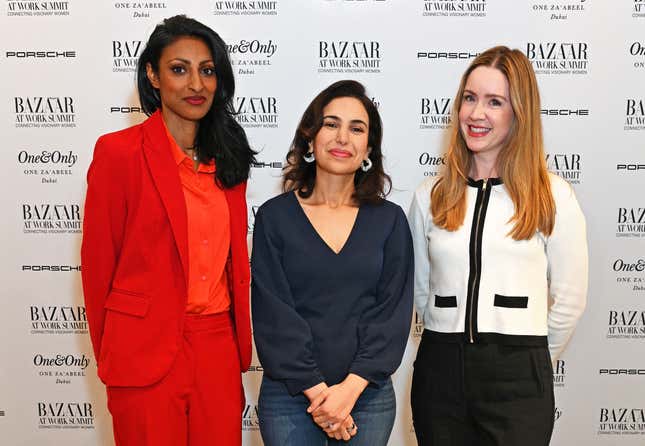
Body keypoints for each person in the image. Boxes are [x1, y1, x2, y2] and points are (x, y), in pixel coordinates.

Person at [81, 15, 255, 446]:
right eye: (179, 69)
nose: (196, 83)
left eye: (207, 70)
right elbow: (98, 266)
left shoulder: (229, 159)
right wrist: (118, 355)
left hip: (216, 345)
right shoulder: (118, 153)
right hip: (142, 350)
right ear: (153, 76)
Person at [408, 46, 588, 446]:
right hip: (440, 375)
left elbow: (570, 301)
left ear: (519, 112)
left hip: (519, 381)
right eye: (469, 99)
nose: (476, 114)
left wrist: (528, 360)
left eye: (494, 102)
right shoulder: (430, 196)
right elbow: (423, 291)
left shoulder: (553, 197)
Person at [251, 80, 413, 445]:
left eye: (357, 128)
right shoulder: (274, 218)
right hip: (290, 397)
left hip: (367, 398)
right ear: (310, 139)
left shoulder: (390, 221)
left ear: (368, 148)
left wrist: (348, 392)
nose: (343, 137)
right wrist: (321, 395)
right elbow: (274, 315)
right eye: (331, 124)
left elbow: (392, 315)